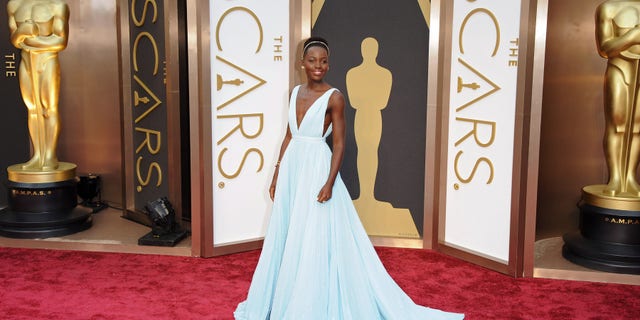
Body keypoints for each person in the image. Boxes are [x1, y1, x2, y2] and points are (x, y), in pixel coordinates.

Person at [234, 37, 463, 320]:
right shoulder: (293, 94)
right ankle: (286, 294)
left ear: (329, 64)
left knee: (314, 234)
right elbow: (290, 135)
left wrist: (329, 182)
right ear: (302, 63)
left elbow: (340, 144)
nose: (318, 66)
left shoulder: (335, 97)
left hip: (318, 169)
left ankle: (310, 302)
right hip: (294, 167)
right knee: (291, 231)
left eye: (324, 61)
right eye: (312, 60)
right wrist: (277, 171)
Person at [7, 0, 69, 171]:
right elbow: (14, 39)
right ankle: (37, 155)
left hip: (47, 60)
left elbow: (61, 41)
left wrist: (30, 41)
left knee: (49, 109)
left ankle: (50, 155)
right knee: (33, 109)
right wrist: (21, 32)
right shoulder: (14, 5)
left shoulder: (57, 6)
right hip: (27, 61)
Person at [596, 0, 640, 196]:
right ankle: (615, 178)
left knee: (637, 127)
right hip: (620, 69)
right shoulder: (608, 8)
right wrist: (632, 36)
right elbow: (605, 48)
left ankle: (630, 177)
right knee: (618, 124)